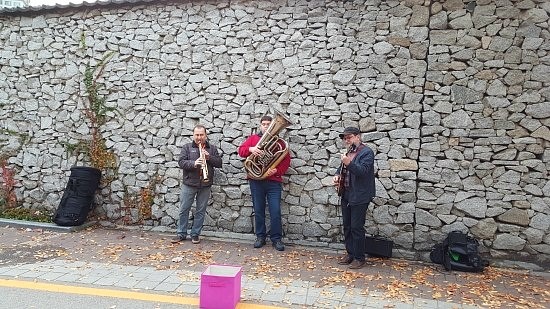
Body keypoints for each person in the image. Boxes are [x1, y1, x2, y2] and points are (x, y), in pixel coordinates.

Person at [238, 115, 291, 251]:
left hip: (273, 182)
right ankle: (260, 237)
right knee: (259, 210)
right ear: (260, 125)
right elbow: (241, 151)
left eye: (269, 124)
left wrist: (275, 171)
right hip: (256, 181)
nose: (267, 126)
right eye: (264, 124)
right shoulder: (253, 139)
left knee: (275, 211)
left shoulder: (280, 143)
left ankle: (276, 239)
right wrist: (251, 149)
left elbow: (285, 161)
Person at [332, 127, 375, 269]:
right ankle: (350, 253)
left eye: (349, 137)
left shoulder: (367, 152)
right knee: (347, 226)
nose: (346, 140)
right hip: (346, 193)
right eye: (345, 138)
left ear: (358, 136)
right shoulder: (349, 152)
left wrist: (348, 162)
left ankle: (359, 257)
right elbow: (342, 168)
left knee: (357, 227)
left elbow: (362, 171)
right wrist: (337, 175)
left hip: (360, 194)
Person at [172, 124, 222, 244]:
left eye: (201, 135)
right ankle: (181, 233)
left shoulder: (212, 148)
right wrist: (194, 163)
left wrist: (208, 157)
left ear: (206, 135)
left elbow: (219, 163)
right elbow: (181, 162)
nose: (199, 137)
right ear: (193, 135)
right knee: (184, 209)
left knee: (201, 210)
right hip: (189, 183)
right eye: (197, 135)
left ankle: (195, 234)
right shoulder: (187, 147)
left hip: (205, 184)